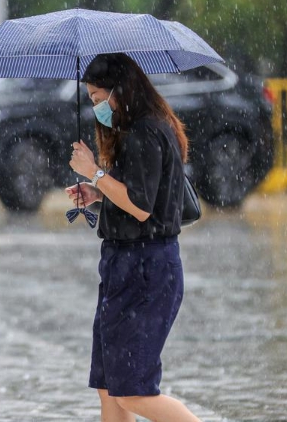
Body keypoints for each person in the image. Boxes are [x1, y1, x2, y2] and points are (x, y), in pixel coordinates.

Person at [67, 53, 201, 422]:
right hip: (121, 265)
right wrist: (97, 193)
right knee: (109, 386)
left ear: (119, 91)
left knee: (133, 391)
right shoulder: (135, 130)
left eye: (97, 99)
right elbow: (136, 196)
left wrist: (94, 174)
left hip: (146, 269)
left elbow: (141, 208)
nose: (95, 108)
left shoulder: (146, 132)